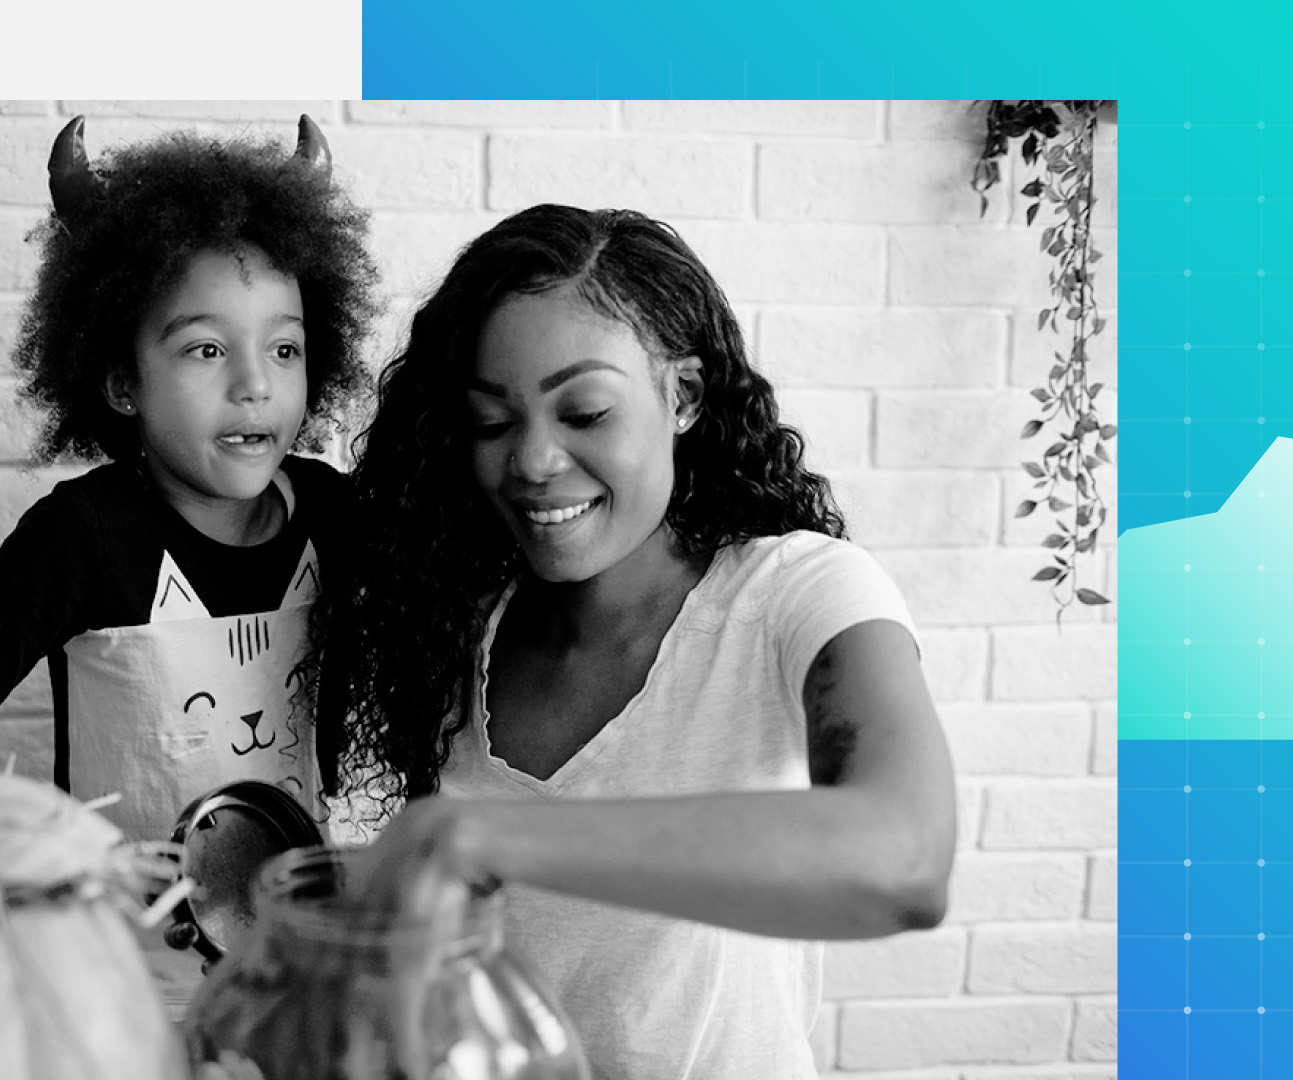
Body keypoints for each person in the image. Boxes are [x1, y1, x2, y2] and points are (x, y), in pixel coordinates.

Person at [310, 205, 957, 1079]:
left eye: (583, 412)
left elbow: (904, 859)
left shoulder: (797, 594)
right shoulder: (459, 621)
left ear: (682, 396)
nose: (533, 461)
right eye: (493, 423)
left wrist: (473, 838)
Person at [0, 116, 380, 848]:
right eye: (206, 348)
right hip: (126, 943)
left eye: (285, 347)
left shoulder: (335, 514)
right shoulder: (79, 538)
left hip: (300, 931)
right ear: (120, 382)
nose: (256, 383)